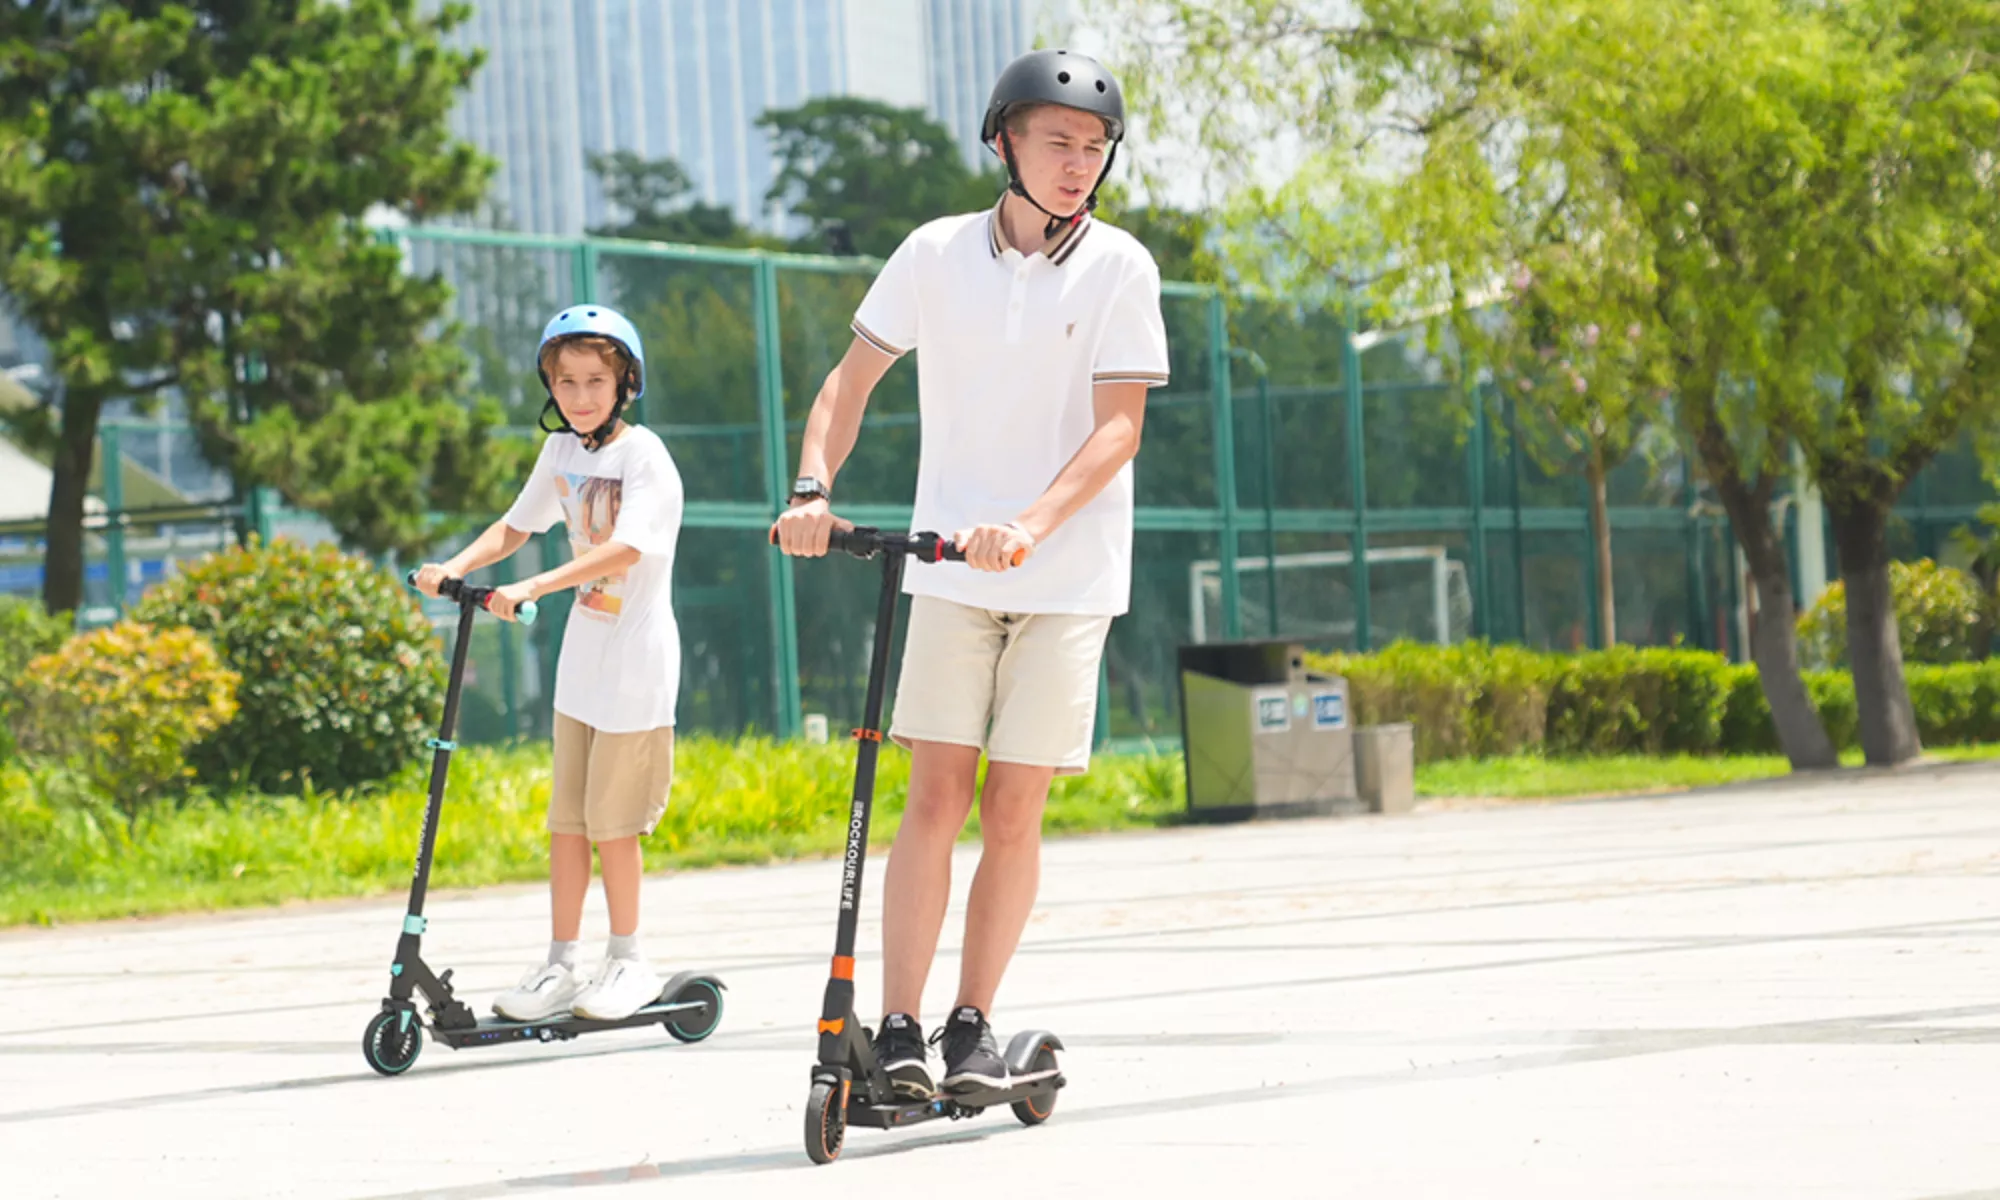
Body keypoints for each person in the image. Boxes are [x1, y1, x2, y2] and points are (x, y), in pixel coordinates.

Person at [772, 48, 1170, 1097]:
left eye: (1092, 147)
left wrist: (1030, 524)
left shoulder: (1121, 267)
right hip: (946, 568)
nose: (1076, 161)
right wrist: (811, 490)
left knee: (1013, 806)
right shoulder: (932, 253)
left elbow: (1118, 428)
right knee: (932, 796)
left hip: (1064, 577)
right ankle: (899, 1026)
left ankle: (969, 1024)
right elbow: (846, 384)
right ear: (1003, 139)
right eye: (1056, 141)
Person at [414, 305, 685, 1022]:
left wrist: (535, 584)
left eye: (596, 380)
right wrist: (456, 565)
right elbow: (515, 524)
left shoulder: (644, 457)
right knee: (567, 823)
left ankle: (628, 959)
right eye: (565, 382)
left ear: (626, 383)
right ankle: (561, 964)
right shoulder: (561, 453)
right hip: (583, 662)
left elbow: (627, 548)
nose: (580, 396)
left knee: (612, 824)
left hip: (635, 667)